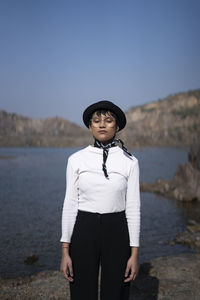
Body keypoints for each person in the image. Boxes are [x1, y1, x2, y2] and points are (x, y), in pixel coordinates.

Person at [60, 100, 141, 300]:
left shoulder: (130, 161)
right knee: (81, 292)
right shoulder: (76, 160)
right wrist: (65, 251)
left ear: (117, 126)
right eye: (96, 121)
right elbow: (69, 205)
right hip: (84, 228)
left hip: (117, 229)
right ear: (90, 126)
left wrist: (135, 254)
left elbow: (133, 208)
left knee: (116, 292)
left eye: (108, 120)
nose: (102, 125)